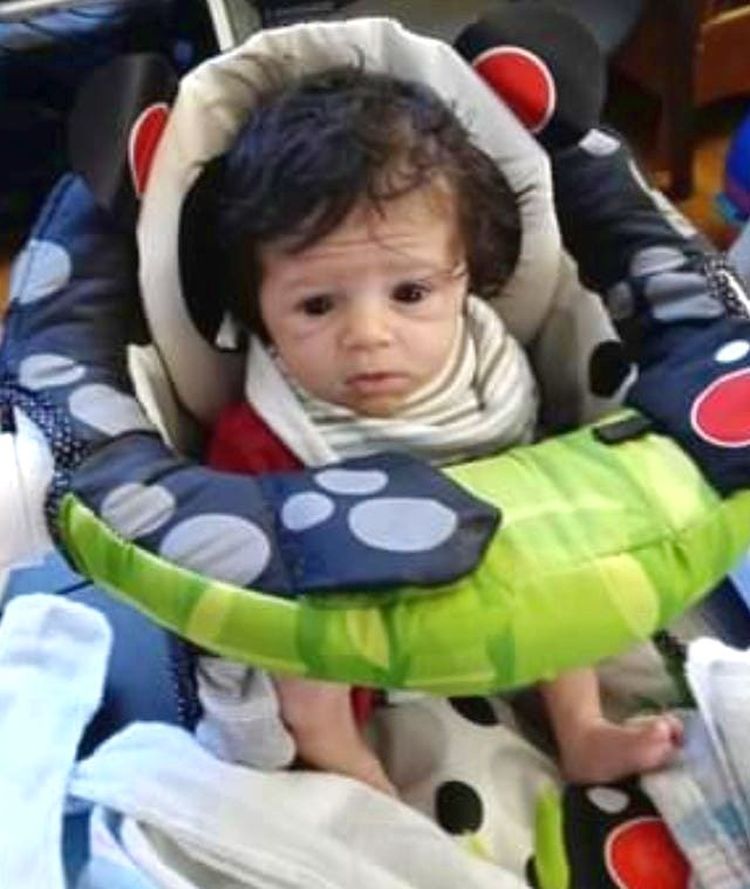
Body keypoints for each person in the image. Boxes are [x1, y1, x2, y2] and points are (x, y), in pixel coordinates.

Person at [199, 65, 682, 792]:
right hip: (361, 622)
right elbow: (238, 561)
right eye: (317, 305)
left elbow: (547, 484)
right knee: (288, 658)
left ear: (466, 277)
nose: (368, 334)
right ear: (257, 306)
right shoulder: (267, 430)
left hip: (494, 572)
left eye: (410, 292)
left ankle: (582, 727)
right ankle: (346, 761)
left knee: (568, 570)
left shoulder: (491, 369)